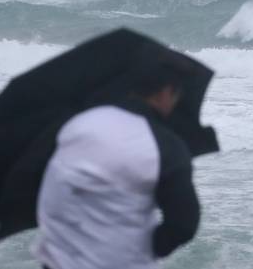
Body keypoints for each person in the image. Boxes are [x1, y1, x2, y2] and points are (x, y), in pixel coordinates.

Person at [32, 64, 200, 269]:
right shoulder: (164, 145)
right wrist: (148, 249)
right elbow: (183, 223)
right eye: (177, 94)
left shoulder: (79, 123)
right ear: (165, 92)